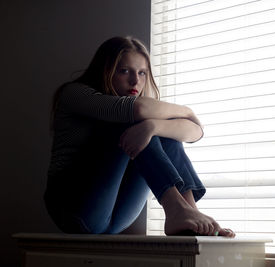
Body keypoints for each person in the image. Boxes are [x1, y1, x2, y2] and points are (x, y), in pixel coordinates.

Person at [44, 36, 235, 237]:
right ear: (105, 70)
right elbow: (139, 108)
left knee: (161, 129)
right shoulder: (73, 93)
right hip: (71, 208)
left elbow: (195, 133)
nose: (135, 80)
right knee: (134, 119)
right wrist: (187, 112)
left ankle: (188, 211)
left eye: (142, 73)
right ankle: (175, 208)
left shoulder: (141, 113)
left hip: (116, 216)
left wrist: (154, 126)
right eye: (124, 71)